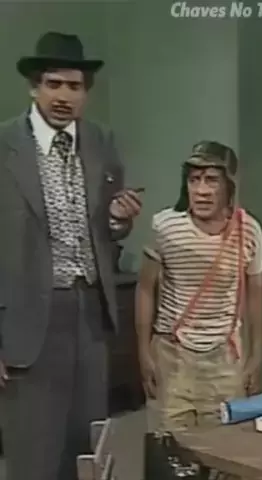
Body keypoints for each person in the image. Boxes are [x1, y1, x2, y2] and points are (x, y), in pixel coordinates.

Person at [0, 32, 142, 480]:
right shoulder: (4, 145)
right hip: (26, 321)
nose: (63, 96)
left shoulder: (100, 142)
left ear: (86, 92)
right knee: (33, 453)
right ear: (34, 87)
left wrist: (118, 221)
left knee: (87, 448)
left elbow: (107, 234)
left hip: (91, 316)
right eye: (53, 84)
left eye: (74, 86)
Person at [135, 140, 262, 432]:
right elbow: (145, 289)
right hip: (172, 354)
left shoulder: (249, 230)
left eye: (212, 180)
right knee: (170, 444)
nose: (202, 191)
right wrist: (143, 352)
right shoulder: (165, 226)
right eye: (194, 180)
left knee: (224, 444)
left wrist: (256, 355)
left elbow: (257, 296)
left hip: (224, 357)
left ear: (229, 186)